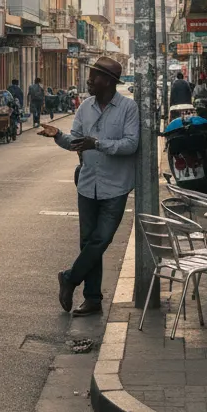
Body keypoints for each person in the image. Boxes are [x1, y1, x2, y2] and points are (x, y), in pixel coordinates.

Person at [38, 56, 139, 317]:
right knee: (88, 243)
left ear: (107, 81)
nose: (89, 80)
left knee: (101, 240)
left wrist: (98, 144)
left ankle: (70, 278)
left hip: (115, 187)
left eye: (94, 76)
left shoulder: (128, 108)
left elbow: (131, 144)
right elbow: (76, 142)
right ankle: (92, 299)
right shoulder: (84, 107)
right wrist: (58, 136)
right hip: (87, 184)